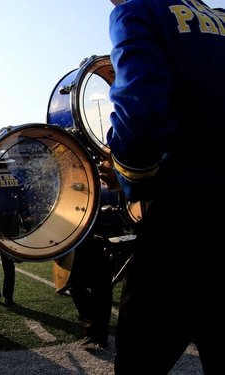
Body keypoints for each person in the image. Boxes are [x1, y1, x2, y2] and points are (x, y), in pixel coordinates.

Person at [100, 1, 224, 373]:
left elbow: (141, 120)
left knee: (140, 360)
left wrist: (126, 175)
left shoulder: (138, 12)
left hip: (185, 224)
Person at [0, 150, 31, 306]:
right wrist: (27, 224)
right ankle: (8, 295)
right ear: (7, 163)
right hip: (12, 222)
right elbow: (24, 204)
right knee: (8, 260)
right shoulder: (17, 179)